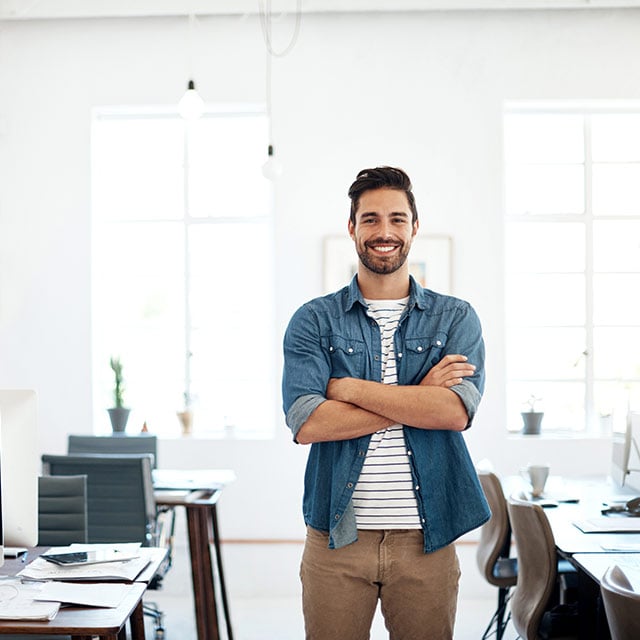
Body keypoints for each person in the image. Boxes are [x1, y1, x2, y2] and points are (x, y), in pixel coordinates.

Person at [282, 166, 490, 640]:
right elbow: (309, 423)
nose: (384, 232)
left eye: (397, 219)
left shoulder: (456, 317)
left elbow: (454, 413)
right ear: (352, 227)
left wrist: (347, 389)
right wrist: (420, 395)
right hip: (336, 539)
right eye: (371, 219)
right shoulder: (314, 320)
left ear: (414, 228)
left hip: (428, 538)